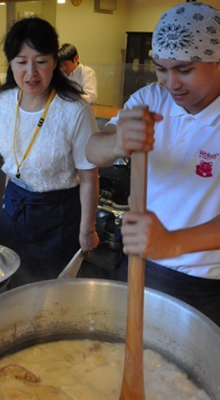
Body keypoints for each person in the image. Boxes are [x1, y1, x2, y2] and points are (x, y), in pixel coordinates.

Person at [86, 2, 220, 325]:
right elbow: (92, 150)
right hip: (136, 263)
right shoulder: (151, 99)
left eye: (184, 69)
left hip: (202, 282)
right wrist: (118, 142)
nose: (171, 83)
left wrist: (172, 242)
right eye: (161, 68)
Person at [0, 17, 99, 288]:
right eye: (21, 61)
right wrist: (5, 208)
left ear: (54, 61)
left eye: (40, 61)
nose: (31, 73)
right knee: (8, 285)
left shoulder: (75, 110)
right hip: (14, 206)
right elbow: (12, 165)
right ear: (10, 63)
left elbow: (89, 176)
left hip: (58, 215)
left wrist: (87, 230)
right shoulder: (5, 100)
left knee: (47, 293)